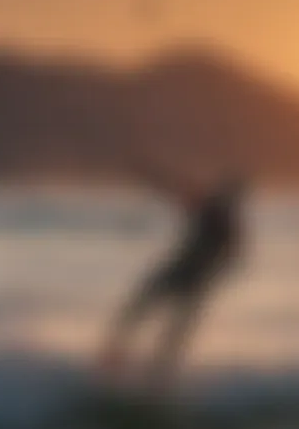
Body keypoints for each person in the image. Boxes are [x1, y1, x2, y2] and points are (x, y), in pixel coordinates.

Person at [99, 159, 248, 390]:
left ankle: (154, 380)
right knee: (142, 311)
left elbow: (231, 259)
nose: (223, 196)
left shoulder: (225, 222)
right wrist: (153, 176)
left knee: (165, 328)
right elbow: (179, 190)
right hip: (183, 274)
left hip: (190, 278)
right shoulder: (214, 211)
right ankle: (119, 363)